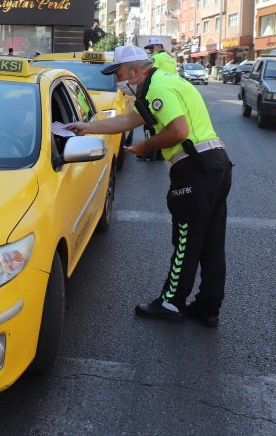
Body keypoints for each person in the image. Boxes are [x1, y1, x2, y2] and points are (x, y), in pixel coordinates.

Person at [66, 45, 232, 327]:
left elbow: (178, 131)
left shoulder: (158, 89)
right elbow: (128, 120)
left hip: (195, 169)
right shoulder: (160, 84)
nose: (117, 80)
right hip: (215, 165)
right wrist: (87, 128)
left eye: (118, 73)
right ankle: (207, 306)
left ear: (136, 70)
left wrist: (145, 146)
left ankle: (170, 303)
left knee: (186, 241)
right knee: (210, 242)